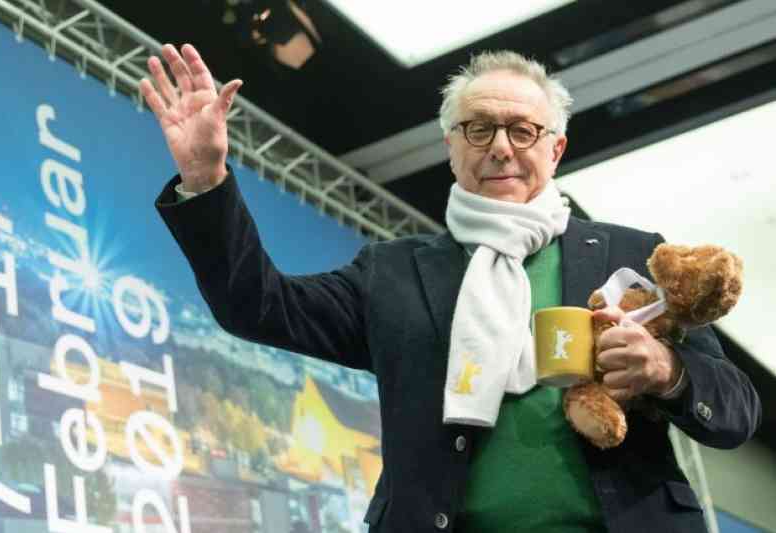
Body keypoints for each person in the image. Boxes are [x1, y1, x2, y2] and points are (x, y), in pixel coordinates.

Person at [144, 44, 761, 532]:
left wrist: (668, 372)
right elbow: (257, 307)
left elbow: (736, 411)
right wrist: (205, 179)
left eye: (523, 131)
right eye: (478, 129)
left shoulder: (631, 257)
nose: (500, 148)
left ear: (556, 148)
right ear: (451, 146)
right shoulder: (391, 273)